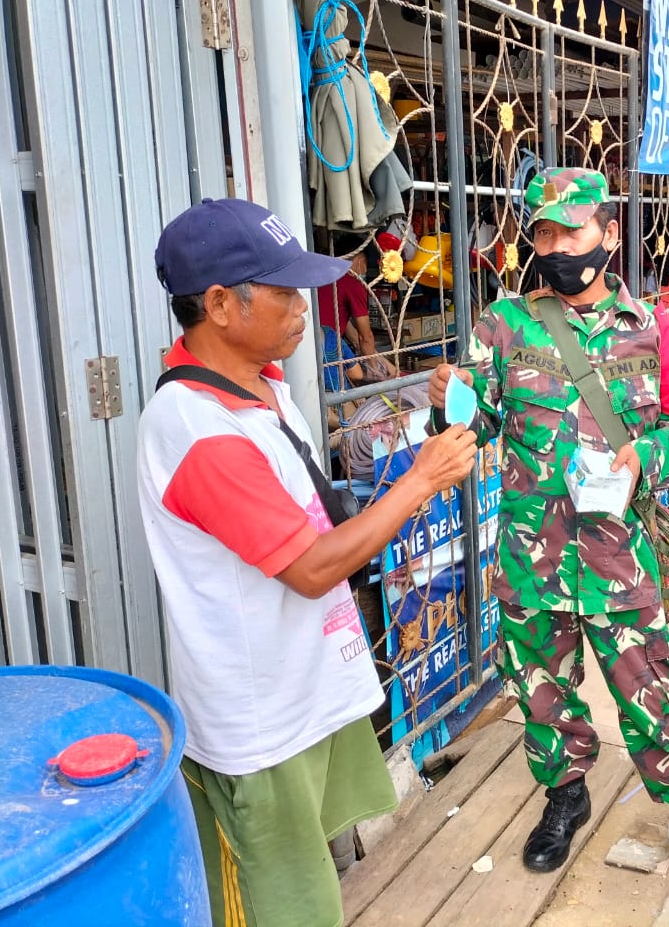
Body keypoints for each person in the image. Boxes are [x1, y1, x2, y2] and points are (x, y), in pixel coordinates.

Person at [137, 198, 478, 927]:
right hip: (260, 720)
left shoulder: (261, 387)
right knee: (282, 898)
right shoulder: (198, 427)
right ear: (221, 304)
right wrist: (422, 479)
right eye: (286, 291)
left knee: (315, 875)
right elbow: (313, 566)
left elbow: (312, 507)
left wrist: (434, 417)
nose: (305, 308)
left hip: (304, 686)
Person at [426, 167, 669, 903]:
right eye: (543, 232)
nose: (558, 245)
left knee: (655, 692)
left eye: (572, 229)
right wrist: (454, 405)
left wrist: (648, 457)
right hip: (532, 562)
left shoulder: (649, 327)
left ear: (608, 232)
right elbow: (478, 428)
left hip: (618, 558)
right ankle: (565, 797)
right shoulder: (503, 324)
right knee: (542, 695)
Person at [318, 251, 396, 386]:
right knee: (354, 378)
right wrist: (374, 369)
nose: (365, 270)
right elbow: (365, 337)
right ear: (360, 260)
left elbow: (352, 333)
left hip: (312, 340)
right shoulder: (353, 283)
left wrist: (385, 363)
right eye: (366, 264)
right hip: (326, 345)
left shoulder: (324, 276)